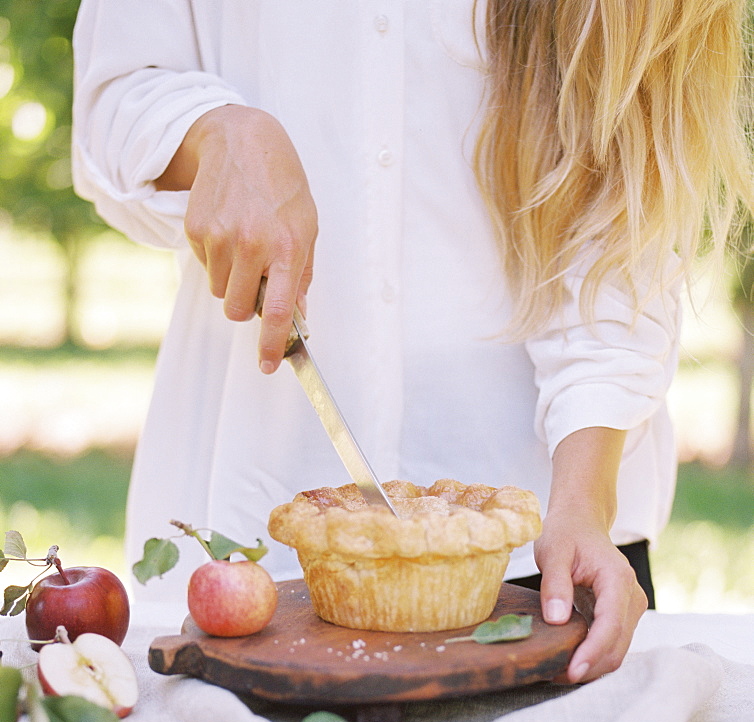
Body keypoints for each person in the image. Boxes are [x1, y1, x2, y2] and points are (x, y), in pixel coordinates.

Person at [71, 0, 753, 684]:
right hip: (247, 558)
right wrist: (215, 133)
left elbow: (621, 230)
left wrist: (581, 503)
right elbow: (112, 99)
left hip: (555, 556)